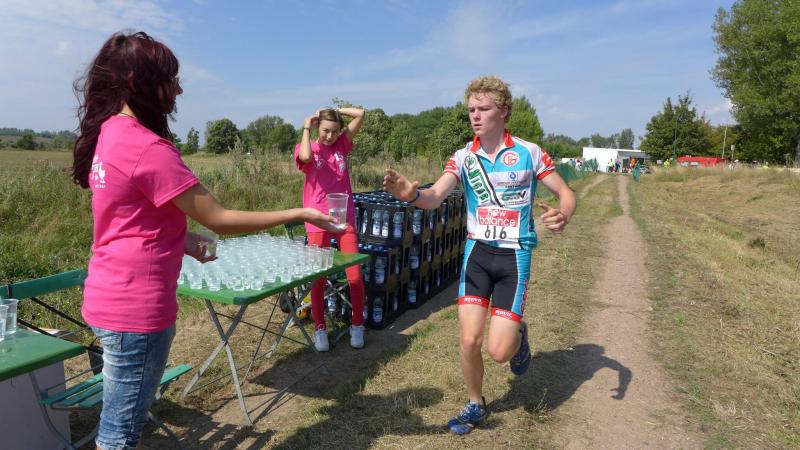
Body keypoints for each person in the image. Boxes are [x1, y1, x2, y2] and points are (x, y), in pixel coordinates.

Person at [71, 31, 341, 450]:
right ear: (139, 81)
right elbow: (220, 219)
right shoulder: (147, 147)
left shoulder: (109, 134)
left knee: (122, 425)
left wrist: (187, 241)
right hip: (136, 310)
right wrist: (301, 212)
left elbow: (130, 219)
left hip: (106, 296)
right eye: (170, 80)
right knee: (119, 436)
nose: (178, 90)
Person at [383, 76, 576, 435]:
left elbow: (566, 193)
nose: (475, 115)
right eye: (471, 109)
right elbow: (434, 197)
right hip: (477, 255)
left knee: (499, 352)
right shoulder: (463, 157)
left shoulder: (529, 152)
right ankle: (475, 403)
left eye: (483, 108)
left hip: (514, 257)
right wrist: (412, 195)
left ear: (503, 111)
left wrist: (563, 213)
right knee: (469, 340)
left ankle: (518, 334)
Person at [295, 107, 366, 351]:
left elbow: (360, 114)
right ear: (317, 128)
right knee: (319, 277)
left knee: (354, 275)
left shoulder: (342, 146)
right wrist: (307, 125)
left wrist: (335, 110)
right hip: (317, 218)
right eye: (326, 130)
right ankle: (320, 328)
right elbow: (305, 158)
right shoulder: (308, 147)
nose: (330, 136)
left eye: (335, 131)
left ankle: (358, 324)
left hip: (344, 219)